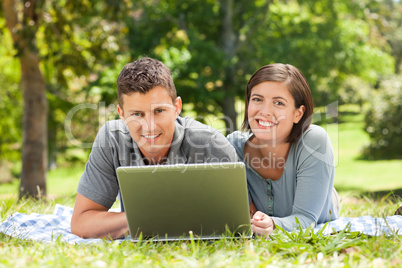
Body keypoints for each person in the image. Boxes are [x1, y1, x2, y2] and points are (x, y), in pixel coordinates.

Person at [71, 57, 237, 239]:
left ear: (177, 107)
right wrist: (151, 219)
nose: (149, 126)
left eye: (159, 111)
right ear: (122, 114)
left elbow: (236, 223)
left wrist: (144, 220)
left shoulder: (211, 144)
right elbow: (82, 223)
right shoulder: (111, 139)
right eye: (137, 114)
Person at [227, 63, 340, 237]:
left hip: (320, 212)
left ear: (298, 114)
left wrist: (272, 224)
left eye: (279, 103)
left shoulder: (314, 140)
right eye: (257, 99)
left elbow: (305, 220)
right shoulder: (233, 145)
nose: (265, 111)